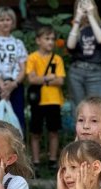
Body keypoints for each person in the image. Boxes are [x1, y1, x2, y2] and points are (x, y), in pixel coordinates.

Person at [26, 25, 66, 175]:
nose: (50, 42)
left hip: (54, 100)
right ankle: (35, 162)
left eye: (52, 39)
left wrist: (42, 80)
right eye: (47, 39)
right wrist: (49, 78)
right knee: (35, 132)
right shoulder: (32, 58)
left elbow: (60, 81)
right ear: (38, 40)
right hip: (38, 101)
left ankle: (52, 160)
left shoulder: (57, 59)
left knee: (53, 131)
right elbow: (31, 79)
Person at [66, 0, 101, 116]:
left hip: (95, 71)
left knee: (99, 107)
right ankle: (81, 133)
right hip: (76, 71)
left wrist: (91, 16)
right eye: (81, 6)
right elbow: (70, 46)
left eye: (87, 5)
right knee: (78, 108)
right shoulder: (77, 29)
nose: (85, 9)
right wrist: (77, 19)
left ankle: (98, 134)